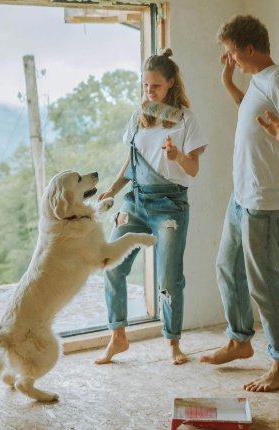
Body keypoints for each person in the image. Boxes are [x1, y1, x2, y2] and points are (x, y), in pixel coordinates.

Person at [199, 15, 279, 392]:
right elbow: (247, 110)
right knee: (227, 268)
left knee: (265, 284)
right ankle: (240, 340)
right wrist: (228, 81)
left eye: (232, 53)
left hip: (264, 202)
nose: (230, 58)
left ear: (250, 49)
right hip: (242, 196)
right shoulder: (256, 82)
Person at [94, 49, 208, 365]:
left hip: (170, 205)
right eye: (146, 86)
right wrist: (113, 191)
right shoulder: (138, 118)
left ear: (171, 83)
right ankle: (117, 338)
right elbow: (132, 163)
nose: (149, 91)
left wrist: (178, 157)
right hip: (136, 200)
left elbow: (194, 169)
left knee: (169, 279)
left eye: (156, 86)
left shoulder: (186, 119)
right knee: (111, 263)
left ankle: (173, 343)